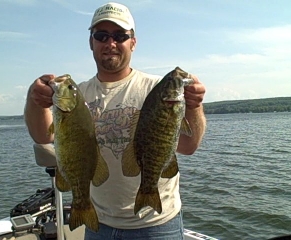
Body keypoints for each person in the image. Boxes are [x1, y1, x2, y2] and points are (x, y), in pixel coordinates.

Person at [24, 2, 206, 240]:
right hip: (99, 224)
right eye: (101, 36)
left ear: (133, 42)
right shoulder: (77, 95)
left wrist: (194, 106)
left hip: (157, 225)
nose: (110, 43)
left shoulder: (155, 89)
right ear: (91, 42)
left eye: (120, 35)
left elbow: (188, 146)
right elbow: (42, 136)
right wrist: (34, 99)